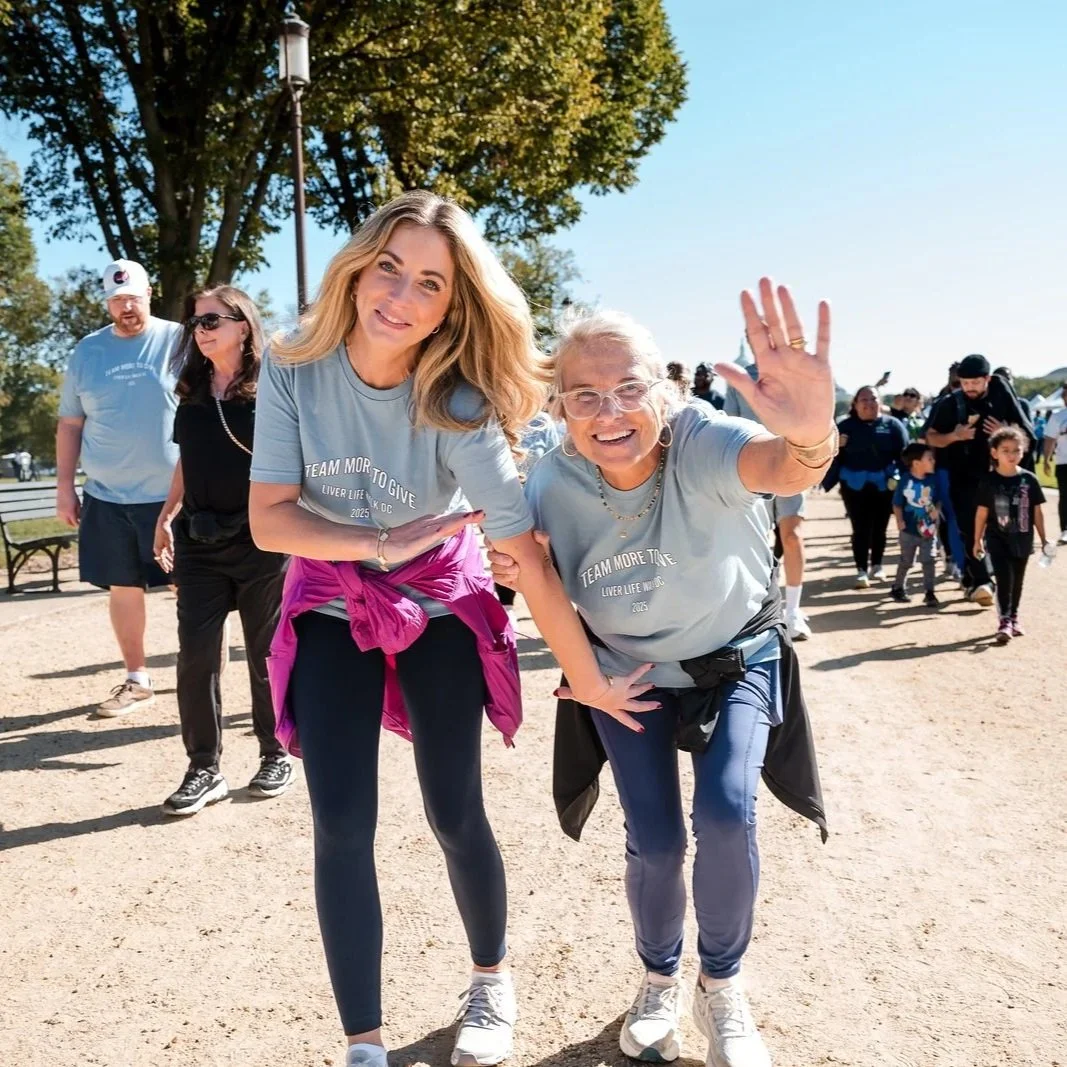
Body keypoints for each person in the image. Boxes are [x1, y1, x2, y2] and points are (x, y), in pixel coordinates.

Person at [247, 191, 651, 1067]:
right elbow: (271, 520)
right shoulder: (290, 366)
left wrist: (583, 673)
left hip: (438, 599)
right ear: (358, 266)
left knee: (453, 807)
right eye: (389, 266)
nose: (400, 294)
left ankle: (489, 981)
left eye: (429, 282)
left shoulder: (458, 401)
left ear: (451, 302)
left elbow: (522, 552)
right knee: (340, 822)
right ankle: (363, 1042)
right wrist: (374, 540)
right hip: (329, 594)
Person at [489, 281, 832, 1067]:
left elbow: (780, 461)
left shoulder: (704, 439)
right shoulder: (549, 483)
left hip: (733, 657)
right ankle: (657, 978)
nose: (609, 413)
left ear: (666, 392)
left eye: (627, 389)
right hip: (623, 674)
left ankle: (723, 986)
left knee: (724, 813)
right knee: (654, 839)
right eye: (585, 396)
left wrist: (811, 433)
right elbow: (523, 577)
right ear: (561, 409)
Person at [151, 286, 291, 816]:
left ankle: (274, 753)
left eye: (213, 319)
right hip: (199, 542)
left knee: (265, 657)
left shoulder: (274, 388)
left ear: (243, 325)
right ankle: (203, 767)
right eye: (195, 322)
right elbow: (188, 459)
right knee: (196, 658)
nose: (201, 329)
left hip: (262, 541)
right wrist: (166, 515)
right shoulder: (190, 389)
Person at [56, 259, 181, 715]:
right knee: (122, 587)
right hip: (107, 494)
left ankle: (200, 679)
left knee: (191, 588)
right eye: (117, 300)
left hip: (173, 495)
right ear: (108, 303)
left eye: (133, 298)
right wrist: (65, 487)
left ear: (150, 294)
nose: (126, 307)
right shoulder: (87, 352)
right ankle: (137, 679)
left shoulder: (179, 340)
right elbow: (70, 424)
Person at [924, 354, 1034, 605]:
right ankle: (983, 580)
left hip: (1000, 478)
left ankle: (984, 578)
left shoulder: (1002, 397)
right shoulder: (950, 404)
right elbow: (930, 436)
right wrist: (955, 435)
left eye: (975, 382)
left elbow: (1026, 437)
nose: (969, 388)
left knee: (1001, 530)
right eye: (965, 383)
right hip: (963, 477)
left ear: (987, 379)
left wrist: (1004, 432)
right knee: (969, 530)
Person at [725, 361, 811, 638]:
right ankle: (760, 610)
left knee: (792, 537)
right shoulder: (738, 378)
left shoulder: (795, 373)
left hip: (791, 463)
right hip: (753, 470)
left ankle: (793, 611)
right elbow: (729, 425)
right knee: (755, 542)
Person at [822, 386, 907, 588]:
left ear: (880, 402)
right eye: (864, 400)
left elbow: (904, 456)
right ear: (855, 404)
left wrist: (904, 482)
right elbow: (827, 455)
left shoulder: (893, 425)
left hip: (884, 485)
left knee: (880, 527)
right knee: (860, 527)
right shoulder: (844, 427)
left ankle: (877, 565)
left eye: (873, 399)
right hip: (853, 485)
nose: (869, 403)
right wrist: (836, 445)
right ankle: (861, 569)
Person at [974, 427, 1048, 643]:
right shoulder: (988, 481)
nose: (1011, 454)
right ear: (994, 453)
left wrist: (1044, 539)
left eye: (1016, 450)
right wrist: (977, 539)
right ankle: (1004, 620)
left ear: (1023, 452)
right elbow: (982, 513)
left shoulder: (1029, 480)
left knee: (1018, 580)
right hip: (997, 538)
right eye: (1005, 450)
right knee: (1004, 578)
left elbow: (1037, 512)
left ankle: (1014, 616)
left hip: (1023, 538)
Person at [494, 411, 562, 625]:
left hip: (540, 502)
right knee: (507, 557)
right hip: (502, 505)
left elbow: (556, 460)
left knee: (545, 557)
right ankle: (507, 605)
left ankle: (554, 611)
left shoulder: (542, 421)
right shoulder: (487, 417)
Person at [890, 443, 942, 606]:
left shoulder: (933, 480)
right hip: (909, 530)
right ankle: (898, 587)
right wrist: (899, 520)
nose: (933, 461)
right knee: (906, 561)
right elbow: (897, 503)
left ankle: (930, 592)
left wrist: (936, 511)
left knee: (929, 560)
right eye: (929, 458)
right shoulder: (906, 480)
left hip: (928, 530)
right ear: (916, 463)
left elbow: (937, 500)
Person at [1040, 387, 1067, 545]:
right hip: (1064, 462)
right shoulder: (1057, 417)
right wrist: (1046, 460)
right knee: (1065, 496)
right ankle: (1065, 529)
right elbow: (1050, 439)